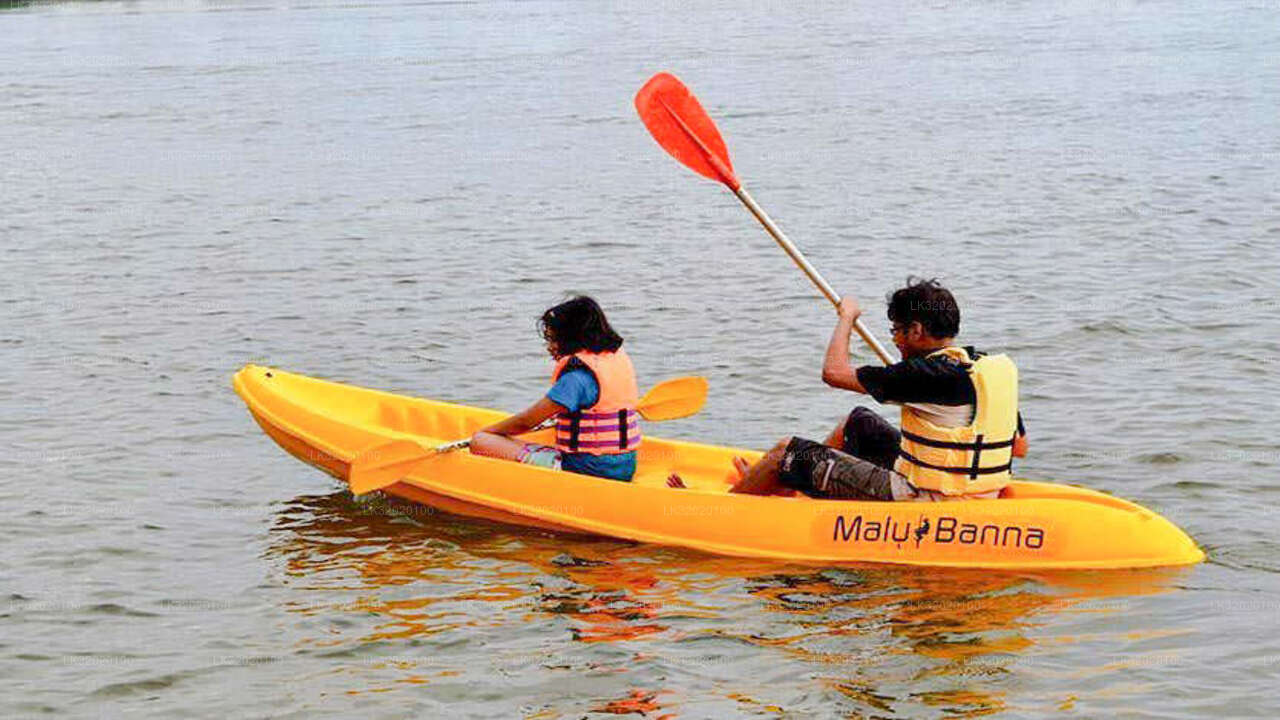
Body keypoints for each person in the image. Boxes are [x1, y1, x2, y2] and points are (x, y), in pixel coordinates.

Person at [669, 278, 1026, 501]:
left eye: (897, 331)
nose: (896, 341)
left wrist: (846, 317)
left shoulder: (923, 374)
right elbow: (1019, 447)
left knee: (785, 452)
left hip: (928, 498)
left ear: (916, 331)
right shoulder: (982, 368)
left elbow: (833, 372)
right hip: (979, 488)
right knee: (859, 422)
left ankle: (729, 506)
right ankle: (794, 486)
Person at [470, 296, 640, 482]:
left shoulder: (576, 379)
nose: (550, 347)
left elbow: (526, 422)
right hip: (624, 467)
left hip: (585, 470)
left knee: (481, 442)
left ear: (571, 338)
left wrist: (486, 432)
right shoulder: (613, 359)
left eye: (553, 339)